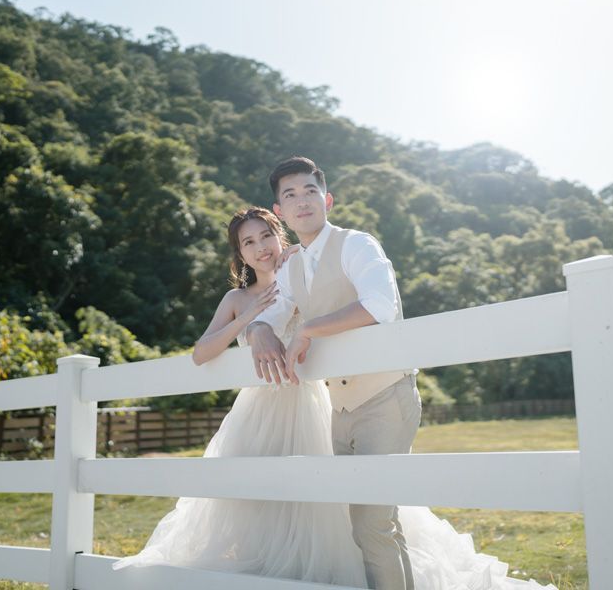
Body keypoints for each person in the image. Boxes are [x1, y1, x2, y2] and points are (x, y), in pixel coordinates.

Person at [113, 189, 555, 590]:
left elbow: (339, 301)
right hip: (258, 410)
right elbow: (201, 353)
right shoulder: (237, 299)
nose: (260, 247)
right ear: (241, 255)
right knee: (250, 500)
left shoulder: (301, 270)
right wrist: (252, 320)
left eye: (266, 235)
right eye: (248, 243)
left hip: (310, 401)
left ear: (280, 232)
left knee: (328, 506)